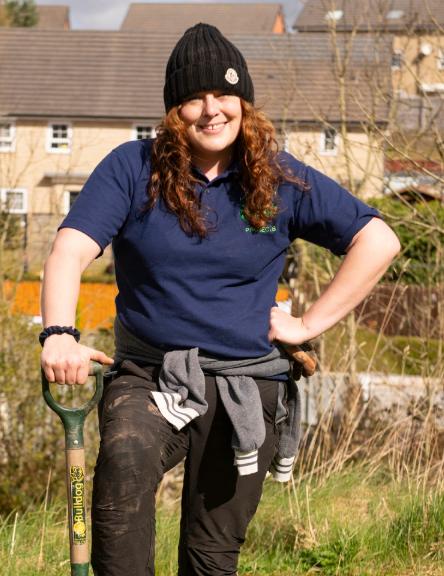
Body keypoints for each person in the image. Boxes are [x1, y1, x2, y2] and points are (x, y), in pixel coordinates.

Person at [40, 23, 400, 576]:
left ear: (243, 102)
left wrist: (305, 325)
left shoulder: (277, 178)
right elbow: (68, 252)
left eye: (224, 95)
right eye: (193, 98)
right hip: (151, 374)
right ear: (172, 111)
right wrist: (59, 334)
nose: (211, 110)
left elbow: (377, 241)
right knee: (124, 465)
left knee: (210, 557)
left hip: (245, 385)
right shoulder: (133, 169)